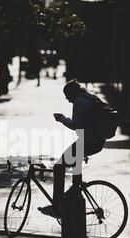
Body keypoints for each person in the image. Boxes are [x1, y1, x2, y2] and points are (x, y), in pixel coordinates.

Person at [38, 80, 106, 217]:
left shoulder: (79, 102)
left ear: (72, 93)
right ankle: (75, 189)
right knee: (74, 160)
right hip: (97, 141)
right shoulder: (89, 97)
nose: (67, 100)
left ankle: (57, 207)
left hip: (88, 141)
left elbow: (77, 126)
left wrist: (62, 119)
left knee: (59, 166)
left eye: (67, 96)